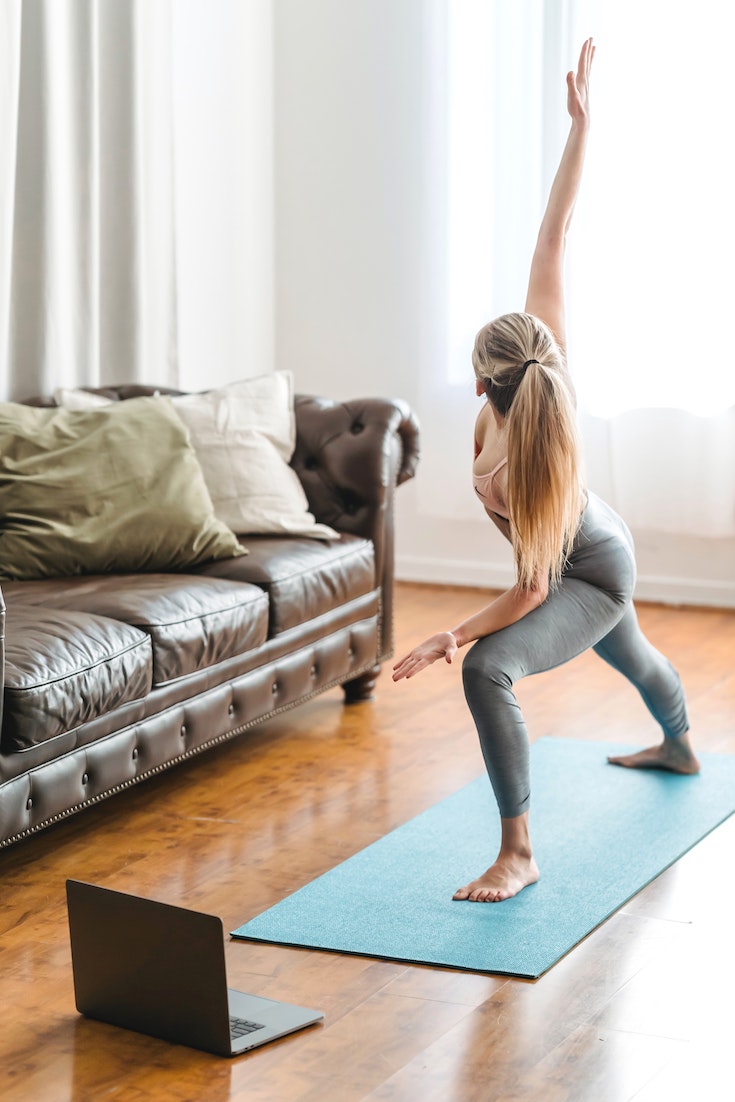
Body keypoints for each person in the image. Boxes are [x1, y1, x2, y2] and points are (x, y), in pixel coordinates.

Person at [392, 38, 699, 904]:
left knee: (491, 668)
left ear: (482, 378)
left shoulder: (529, 463)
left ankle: (518, 853)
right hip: (595, 545)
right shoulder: (538, 364)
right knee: (632, 657)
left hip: (590, 568)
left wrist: (449, 636)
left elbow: (532, 593)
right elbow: (554, 231)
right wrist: (580, 125)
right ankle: (678, 743)